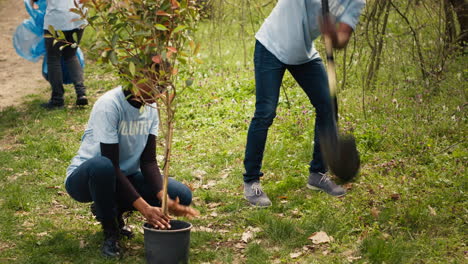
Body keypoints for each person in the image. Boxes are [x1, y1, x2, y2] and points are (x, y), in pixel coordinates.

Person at [243, 0, 365, 207]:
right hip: (270, 45)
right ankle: (251, 180)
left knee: (327, 105)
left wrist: (333, 35)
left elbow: (342, 38)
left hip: (303, 54)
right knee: (266, 111)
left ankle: (317, 173)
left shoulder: (355, 1)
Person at [65, 82, 199, 257]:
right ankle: (111, 231)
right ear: (135, 78)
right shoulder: (110, 104)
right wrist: (145, 208)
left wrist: (165, 199)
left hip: (125, 177)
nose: (159, 93)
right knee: (102, 166)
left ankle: (111, 207)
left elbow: (149, 162)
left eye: (163, 87)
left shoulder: (150, 107)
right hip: (87, 178)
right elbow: (111, 164)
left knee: (181, 195)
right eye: (155, 85)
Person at [31, 0, 88, 109]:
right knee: (71, 54)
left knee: (53, 58)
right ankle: (81, 93)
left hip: (57, 18)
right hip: (78, 15)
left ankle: (57, 99)